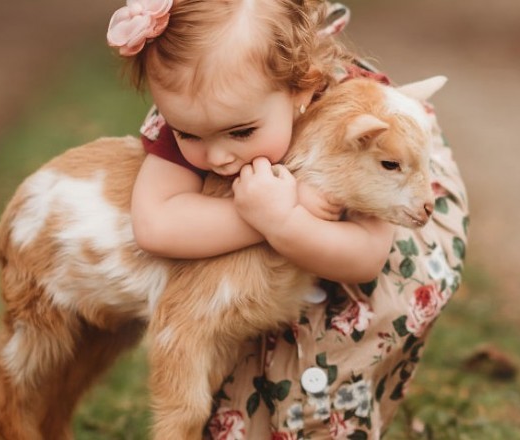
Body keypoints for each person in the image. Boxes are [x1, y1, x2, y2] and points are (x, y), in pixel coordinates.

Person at [106, 0, 469, 438]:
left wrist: (288, 224)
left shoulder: (358, 118)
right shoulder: (193, 108)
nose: (217, 156)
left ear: (301, 91)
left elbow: (366, 257)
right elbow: (156, 224)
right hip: (253, 285)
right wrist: (262, 215)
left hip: (359, 274)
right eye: (188, 135)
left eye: (241, 132)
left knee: (330, 369)